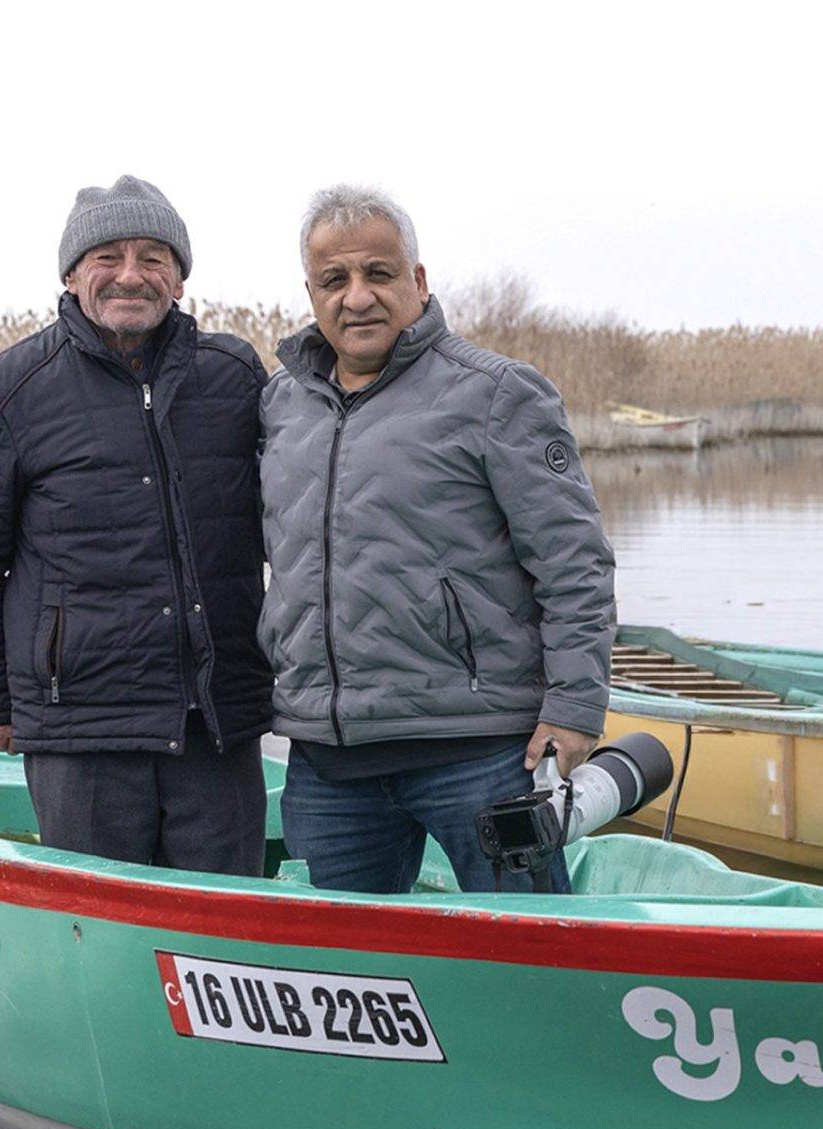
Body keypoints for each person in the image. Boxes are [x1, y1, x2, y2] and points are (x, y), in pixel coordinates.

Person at [259, 184, 616, 894]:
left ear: (417, 281)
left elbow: (574, 564)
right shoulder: (278, 407)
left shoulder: (496, 394)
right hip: (330, 766)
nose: (356, 296)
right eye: (334, 280)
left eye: (378, 273)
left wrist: (574, 706)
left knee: (531, 962)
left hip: (481, 754)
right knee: (343, 981)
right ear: (311, 293)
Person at [0, 175, 271, 875]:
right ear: (72, 273)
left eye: (153, 257)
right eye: (108, 257)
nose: (130, 275)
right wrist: (5, 698)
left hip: (216, 726)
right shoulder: (9, 390)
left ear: (178, 278)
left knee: (222, 937)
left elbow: (292, 531)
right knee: (97, 937)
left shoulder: (234, 377)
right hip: (81, 735)